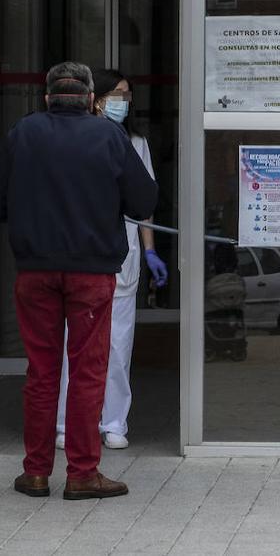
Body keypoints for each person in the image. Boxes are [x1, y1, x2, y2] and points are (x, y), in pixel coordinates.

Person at [0, 62, 158, 500]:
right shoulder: (109, 137)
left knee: (42, 372)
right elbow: (144, 200)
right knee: (87, 371)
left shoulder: (23, 133)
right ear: (89, 100)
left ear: (46, 98)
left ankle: (36, 472)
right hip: (92, 274)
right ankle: (82, 473)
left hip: (35, 271)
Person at [54, 69, 168, 452]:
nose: (124, 101)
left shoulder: (136, 143)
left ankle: (114, 420)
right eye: (117, 94)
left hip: (125, 257)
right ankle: (67, 424)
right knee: (77, 342)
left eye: (127, 94)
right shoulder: (73, 139)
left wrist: (150, 250)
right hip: (82, 254)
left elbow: (145, 205)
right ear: (96, 98)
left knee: (119, 344)